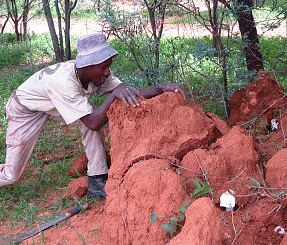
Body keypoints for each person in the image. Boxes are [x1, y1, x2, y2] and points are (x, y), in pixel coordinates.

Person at [0, 33, 185, 198]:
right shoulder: (64, 82)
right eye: (104, 67)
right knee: (11, 175)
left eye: (109, 66)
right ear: (87, 66)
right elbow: (95, 122)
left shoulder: (97, 73)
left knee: (90, 118)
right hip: (27, 110)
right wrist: (113, 95)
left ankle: (97, 178)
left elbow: (126, 92)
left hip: (54, 102)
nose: (108, 72)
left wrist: (161, 87)